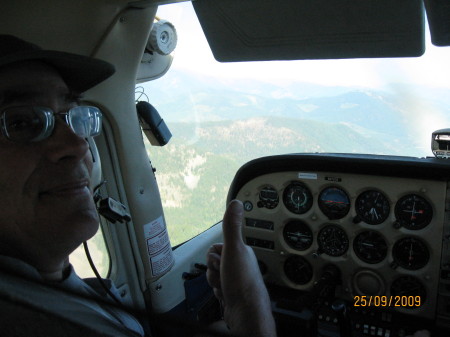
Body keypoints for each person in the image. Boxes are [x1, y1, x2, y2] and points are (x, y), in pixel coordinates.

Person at [0, 34, 275, 337]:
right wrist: (250, 303)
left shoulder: (46, 290)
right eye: (21, 123)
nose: (79, 145)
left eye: (73, 115)